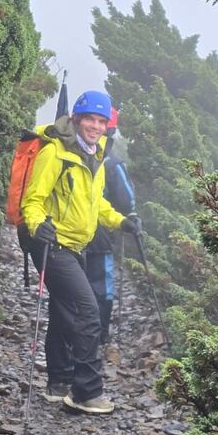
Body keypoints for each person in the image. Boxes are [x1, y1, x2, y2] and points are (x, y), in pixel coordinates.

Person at [21, 91, 141, 415]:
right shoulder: (56, 153)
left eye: (102, 121)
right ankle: (86, 392)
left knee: (64, 312)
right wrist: (37, 225)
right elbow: (32, 201)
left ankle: (58, 383)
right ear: (76, 118)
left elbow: (96, 203)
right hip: (52, 244)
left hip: (77, 245)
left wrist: (121, 221)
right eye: (90, 119)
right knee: (88, 312)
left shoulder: (95, 154)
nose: (96, 126)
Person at [84, 108, 137, 345]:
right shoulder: (113, 163)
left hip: (67, 235)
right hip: (102, 236)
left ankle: (73, 335)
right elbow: (127, 201)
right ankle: (100, 334)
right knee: (101, 287)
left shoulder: (72, 155)